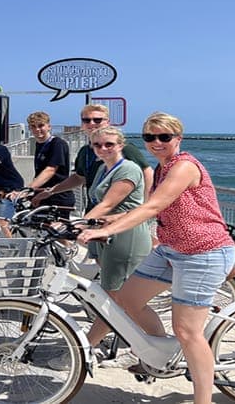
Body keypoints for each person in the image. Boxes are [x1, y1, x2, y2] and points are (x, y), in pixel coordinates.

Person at [77, 112, 235, 404]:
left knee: (188, 331)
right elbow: (149, 206)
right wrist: (93, 223)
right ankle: (159, 354)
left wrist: (108, 229)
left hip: (203, 252)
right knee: (126, 300)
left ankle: (203, 401)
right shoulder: (162, 168)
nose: (157, 142)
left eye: (165, 137)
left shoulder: (184, 166)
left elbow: (154, 206)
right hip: (171, 248)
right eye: (150, 137)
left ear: (178, 138)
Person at [50, 127, 150, 369]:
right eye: (97, 145)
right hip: (106, 236)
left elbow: (107, 204)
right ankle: (140, 347)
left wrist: (74, 224)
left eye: (109, 144)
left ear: (121, 145)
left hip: (125, 237)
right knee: (116, 298)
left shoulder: (127, 169)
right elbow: (97, 202)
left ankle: (84, 350)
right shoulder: (104, 169)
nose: (103, 148)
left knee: (112, 300)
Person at [33, 103, 155, 250]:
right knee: (97, 256)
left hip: (118, 216)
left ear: (107, 122)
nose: (92, 124)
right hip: (94, 213)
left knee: (120, 260)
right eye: (87, 120)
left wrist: (144, 208)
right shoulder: (85, 151)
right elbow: (79, 177)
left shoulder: (122, 148)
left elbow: (147, 173)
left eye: (98, 120)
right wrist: (51, 191)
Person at [19, 111, 75, 214]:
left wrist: (28, 189)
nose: (37, 129)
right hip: (42, 195)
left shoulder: (57, 144)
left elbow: (50, 170)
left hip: (58, 196)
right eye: (33, 127)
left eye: (41, 126)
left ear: (49, 126)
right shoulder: (38, 144)